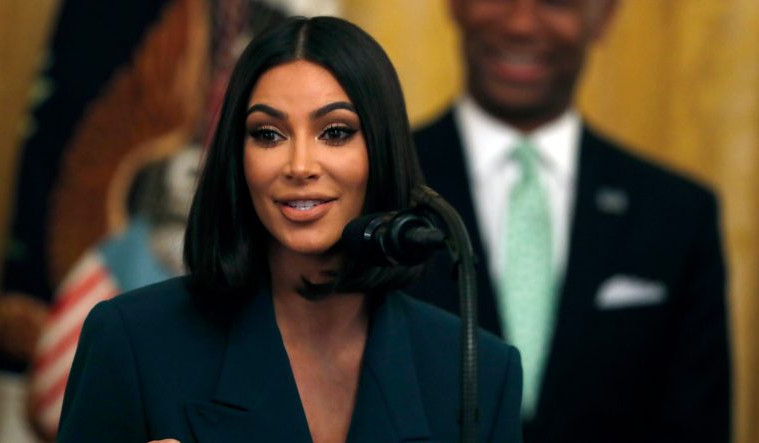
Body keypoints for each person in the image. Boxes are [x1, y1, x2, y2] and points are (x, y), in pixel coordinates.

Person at [56, 16, 523, 443]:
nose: (300, 165)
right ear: (237, 159)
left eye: (335, 132)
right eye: (268, 135)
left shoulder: (482, 373)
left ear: (382, 152)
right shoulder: (131, 340)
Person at [409, 1, 731, 443]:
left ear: (604, 16)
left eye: (557, 0)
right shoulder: (377, 191)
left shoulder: (677, 214)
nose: (521, 23)